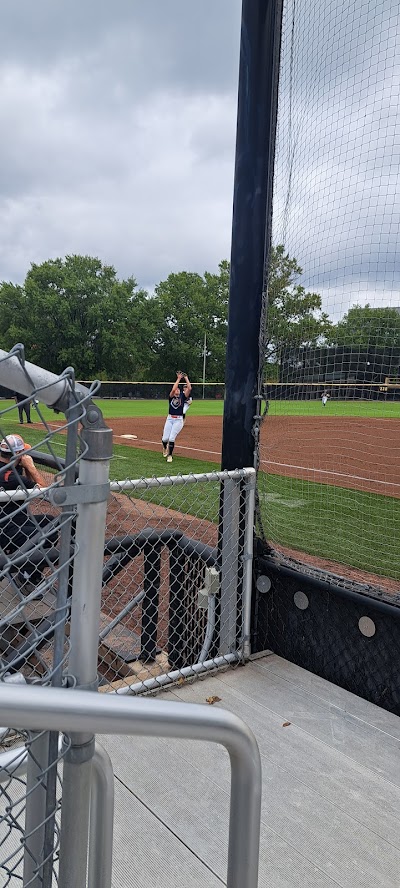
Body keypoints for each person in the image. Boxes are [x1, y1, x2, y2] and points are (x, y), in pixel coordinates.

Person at [0, 434, 56, 590]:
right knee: (48, 534)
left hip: (12, 520)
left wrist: (23, 467)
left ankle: (22, 562)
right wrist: (31, 466)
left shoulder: (8, 470)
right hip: (6, 529)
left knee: (50, 521)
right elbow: (45, 492)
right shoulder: (11, 477)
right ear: (18, 454)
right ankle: (28, 576)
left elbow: (29, 488)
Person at [161, 371, 192, 463]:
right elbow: (173, 389)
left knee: (171, 438)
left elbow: (189, 388)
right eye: (176, 389)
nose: (177, 390)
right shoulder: (171, 397)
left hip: (178, 420)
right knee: (164, 439)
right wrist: (178, 379)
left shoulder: (182, 396)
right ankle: (164, 447)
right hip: (170, 419)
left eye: (178, 389)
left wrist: (185, 378)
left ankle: (170, 455)